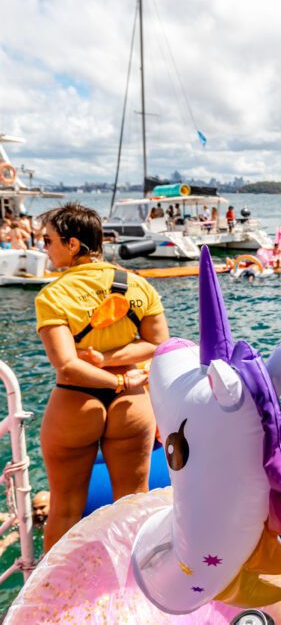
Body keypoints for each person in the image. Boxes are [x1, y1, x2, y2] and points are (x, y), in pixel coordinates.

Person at [35, 203, 169, 551]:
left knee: (64, 510)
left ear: (73, 244)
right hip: (133, 403)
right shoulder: (139, 287)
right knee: (133, 506)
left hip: (77, 399)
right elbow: (159, 345)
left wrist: (105, 371)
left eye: (48, 240)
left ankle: (56, 600)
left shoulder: (53, 295)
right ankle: (132, 594)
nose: (44, 248)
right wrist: (118, 370)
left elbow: (67, 365)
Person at [0, 490, 51, 558]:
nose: (38, 512)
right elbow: (11, 520)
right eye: (35, 509)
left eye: (42, 507)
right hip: (31, 528)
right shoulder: (34, 517)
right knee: (6, 541)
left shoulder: (59, 517)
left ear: (52, 504)